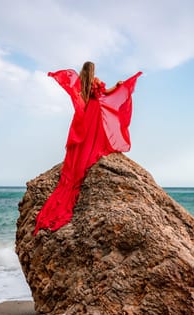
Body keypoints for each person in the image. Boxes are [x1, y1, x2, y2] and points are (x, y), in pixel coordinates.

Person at [33, 62, 142, 236]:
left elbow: (79, 93)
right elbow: (105, 93)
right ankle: (94, 151)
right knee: (96, 139)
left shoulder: (82, 83)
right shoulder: (95, 81)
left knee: (85, 140)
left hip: (86, 114)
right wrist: (119, 86)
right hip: (95, 113)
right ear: (92, 70)